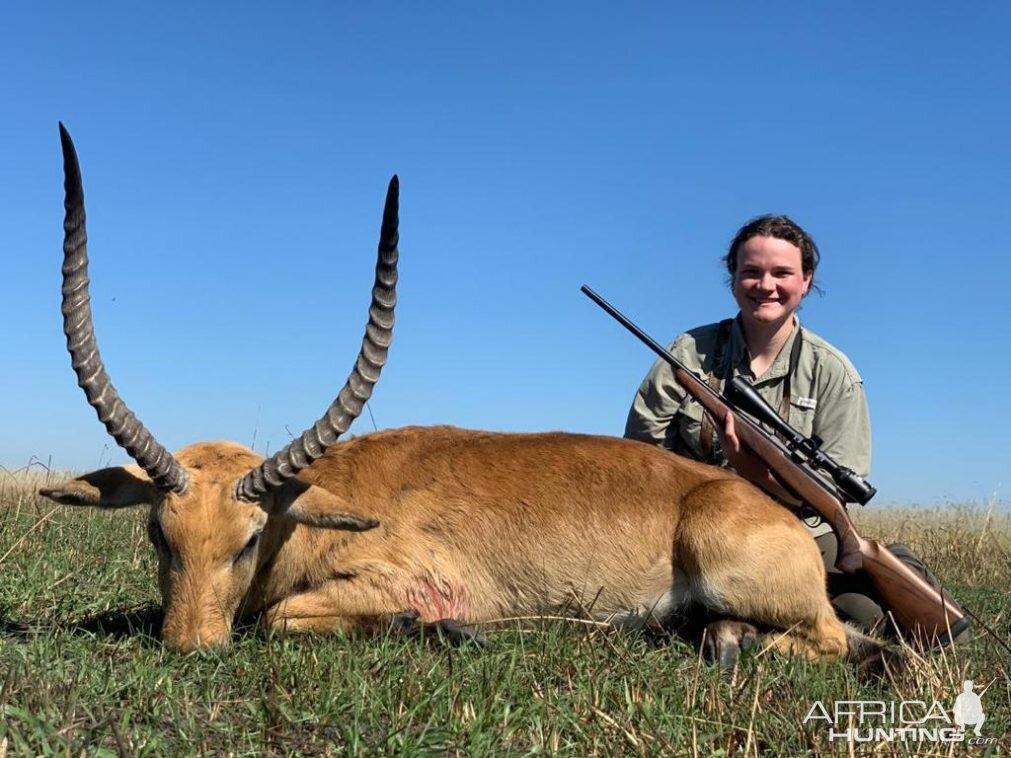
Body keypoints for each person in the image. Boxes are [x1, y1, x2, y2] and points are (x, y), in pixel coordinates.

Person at [624, 214, 962, 641]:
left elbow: (835, 494)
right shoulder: (687, 355)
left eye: (782, 273)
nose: (766, 285)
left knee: (877, 620)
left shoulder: (833, 371)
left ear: (806, 281)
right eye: (751, 272)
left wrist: (756, 474)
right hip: (701, 533)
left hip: (802, 534)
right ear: (733, 280)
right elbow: (640, 461)